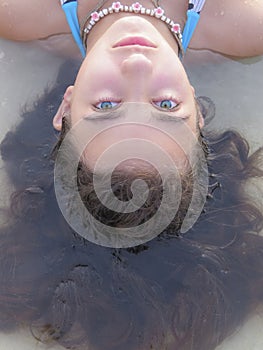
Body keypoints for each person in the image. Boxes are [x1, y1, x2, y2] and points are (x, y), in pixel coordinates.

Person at [0, 61, 263, 350]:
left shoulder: (25, 23)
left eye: (105, 106)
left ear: (66, 107)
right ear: (197, 112)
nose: (137, 63)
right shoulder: (244, 35)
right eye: (166, 105)